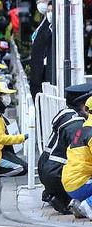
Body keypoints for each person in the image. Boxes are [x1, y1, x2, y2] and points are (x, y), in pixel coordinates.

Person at [38, 84, 91, 214]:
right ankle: (73, 201)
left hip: (46, 167)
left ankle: (60, 197)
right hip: (58, 173)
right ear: (84, 104)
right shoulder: (78, 124)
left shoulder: (66, 114)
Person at [30, 0, 53, 98]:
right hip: (38, 69)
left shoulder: (51, 25)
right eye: (38, 2)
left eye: (43, 1)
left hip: (44, 70)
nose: (40, 4)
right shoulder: (43, 20)